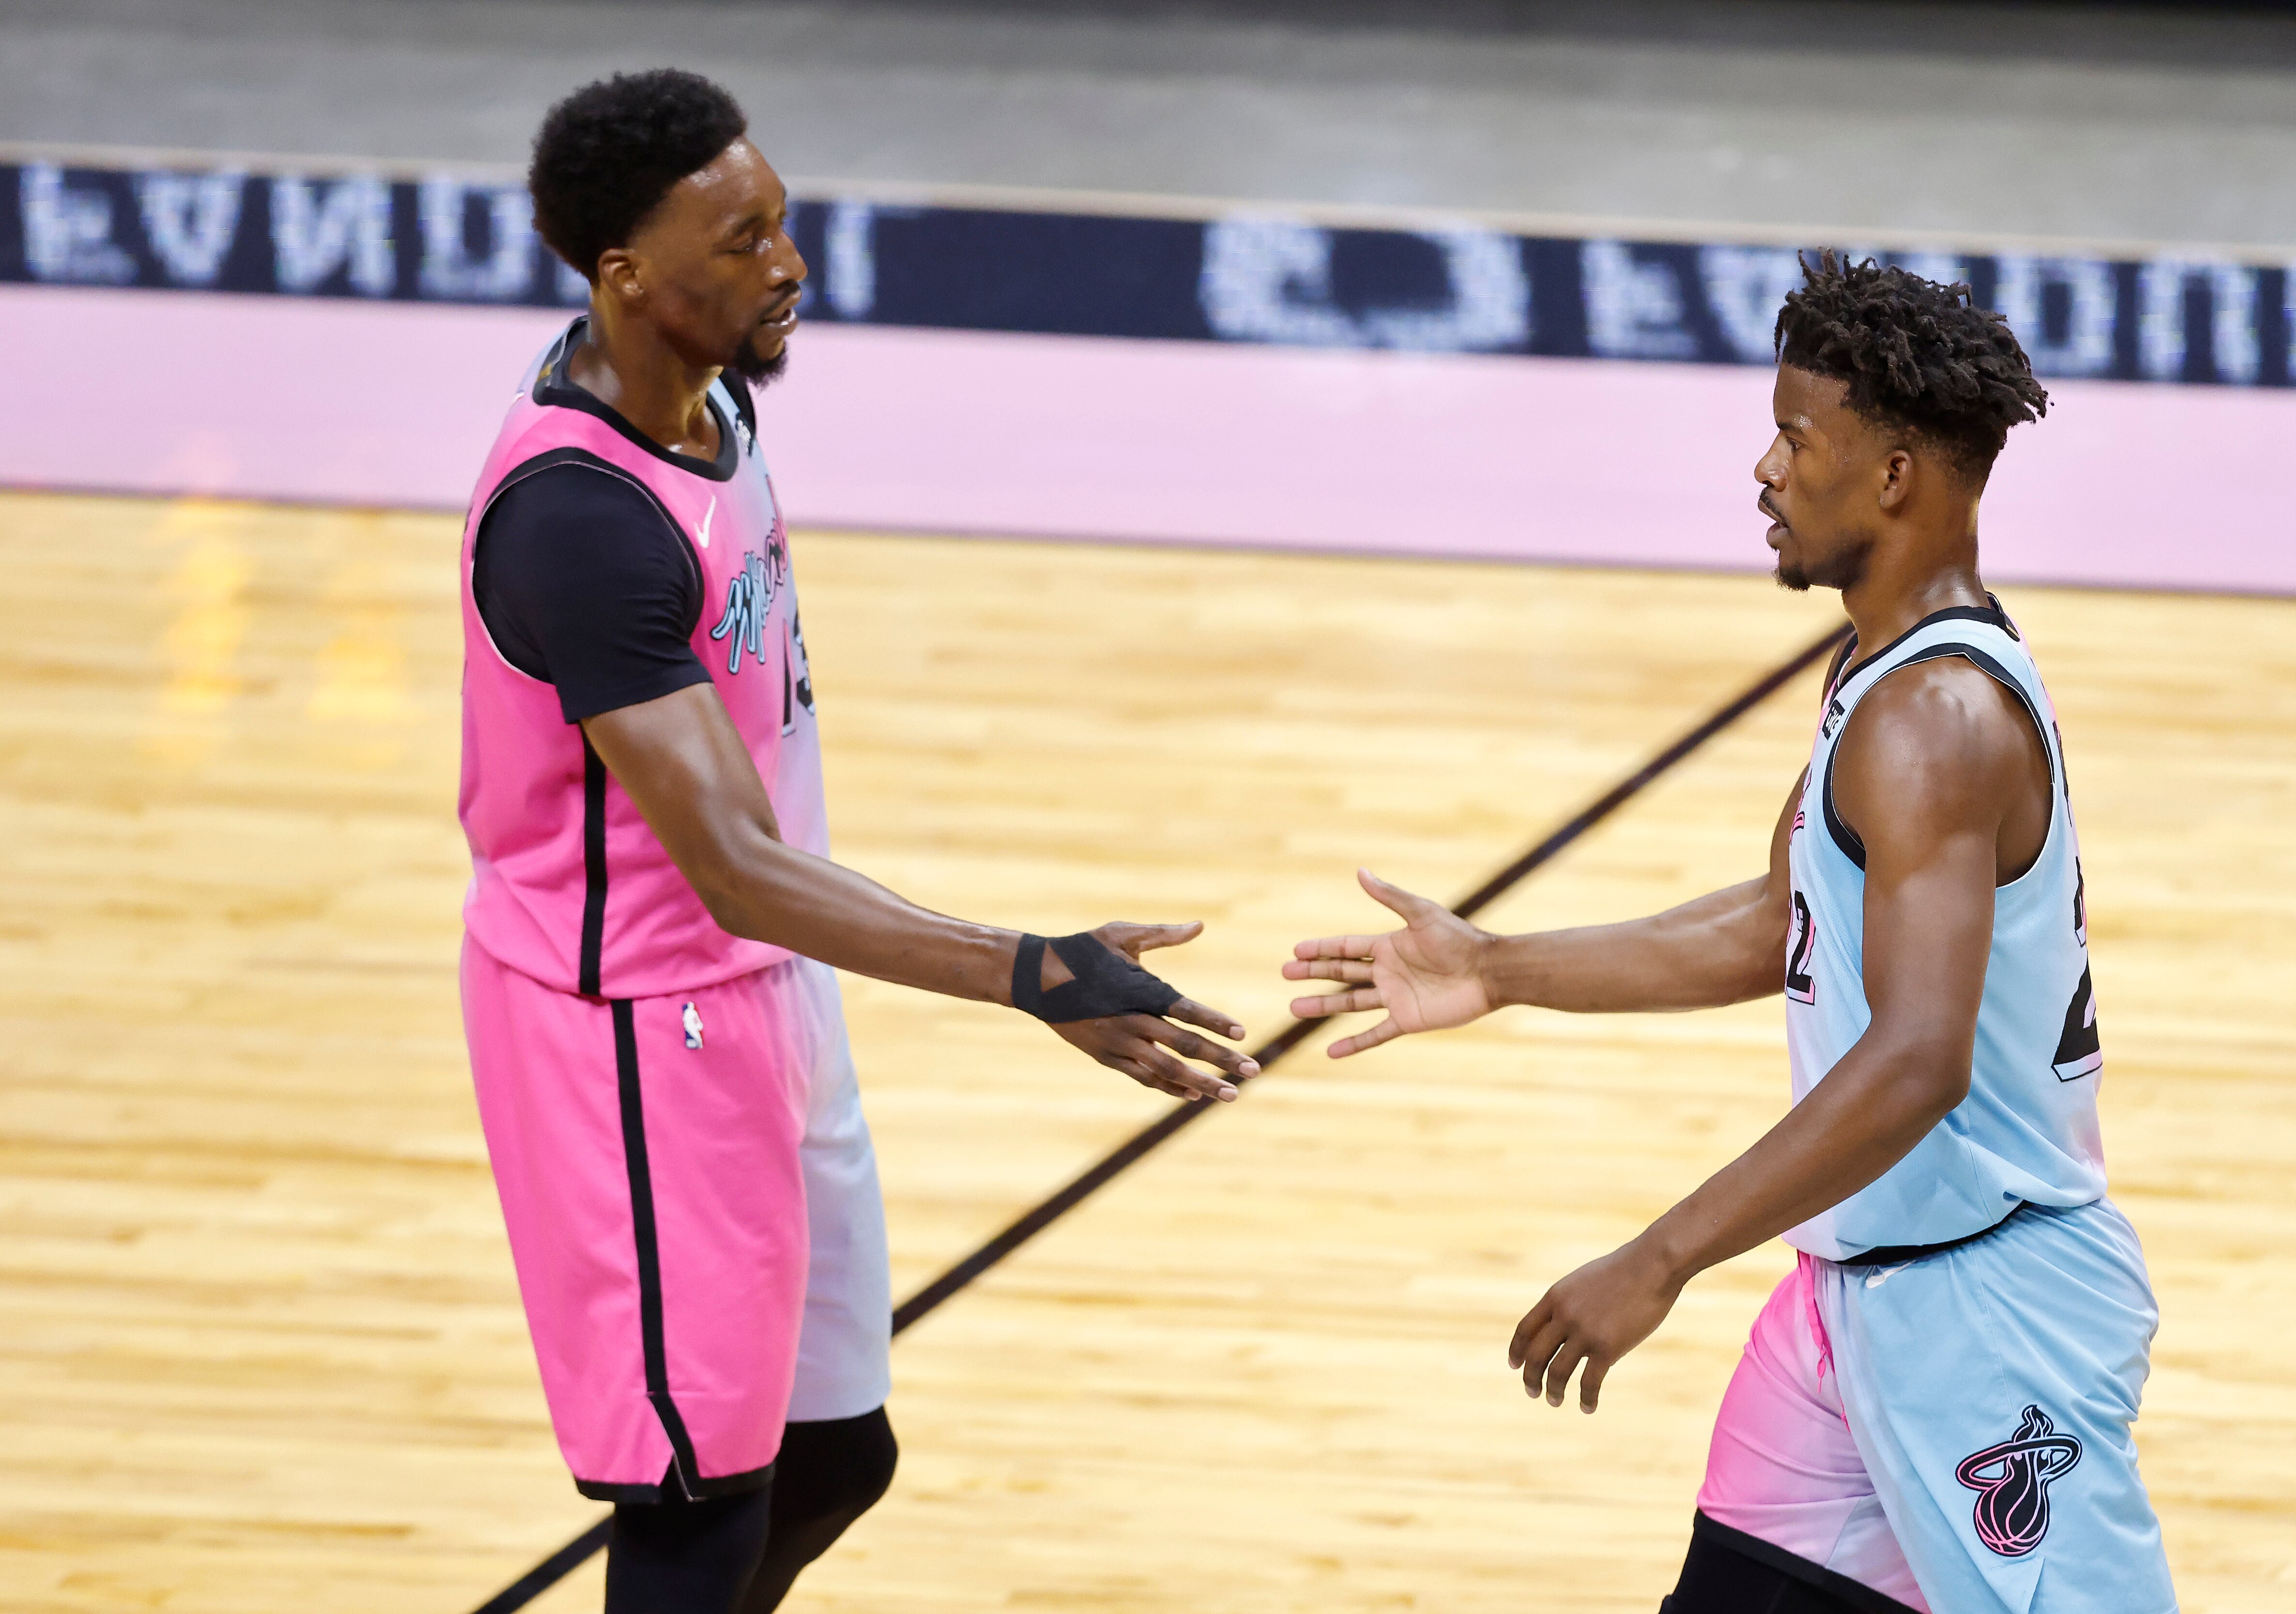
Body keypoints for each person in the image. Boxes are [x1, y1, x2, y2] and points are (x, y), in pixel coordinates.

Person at [458, 69, 1256, 1614]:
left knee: (837, 1454)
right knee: (695, 1506)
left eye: (784, 223)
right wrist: (1032, 971)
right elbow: (735, 864)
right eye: (743, 238)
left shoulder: (714, 403)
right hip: (633, 1030)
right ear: (627, 273)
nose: (789, 264)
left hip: (761, 991)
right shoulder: (578, 519)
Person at [1283, 256, 2173, 1613]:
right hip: (1858, 1294)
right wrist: (1501, 968)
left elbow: (1919, 1058)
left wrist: (1658, 1258)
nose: (1764, 469)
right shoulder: (1880, 670)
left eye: (1796, 438)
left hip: (1990, 1314)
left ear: (1890, 478)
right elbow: (1779, 922)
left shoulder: (1934, 723)